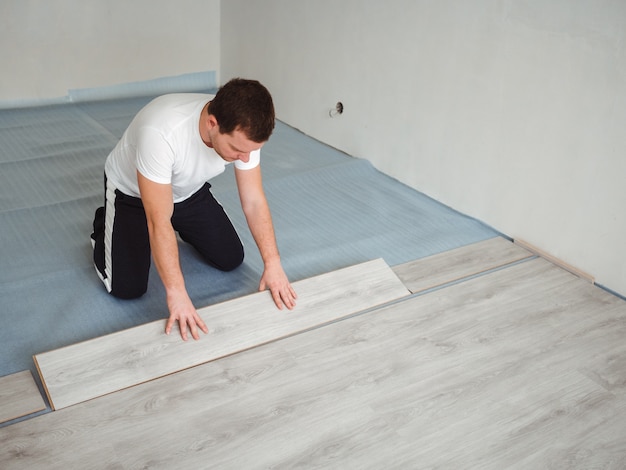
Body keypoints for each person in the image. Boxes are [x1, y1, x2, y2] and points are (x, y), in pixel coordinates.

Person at [91, 78, 297, 341]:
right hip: (134, 195)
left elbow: (254, 200)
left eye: (251, 151)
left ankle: (185, 226)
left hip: (187, 190)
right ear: (213, 123)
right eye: (236, 150)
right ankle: (105, 226)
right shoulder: (162, 131)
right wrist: (177, 293)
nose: (245, 159)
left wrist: (273, 263)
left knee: (230, 258)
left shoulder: (245, 133)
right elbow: (158, 220)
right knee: (126, 289)